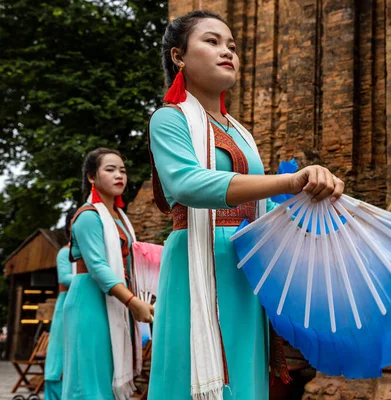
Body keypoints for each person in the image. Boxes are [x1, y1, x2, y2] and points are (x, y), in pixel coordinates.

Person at [147, 10, 344, 400]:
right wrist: (289, 180)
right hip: (195, 261)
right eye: (212, 41)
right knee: (193, 376)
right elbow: (187, 183)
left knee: (244, 376)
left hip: (245, 263)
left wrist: (310, 203)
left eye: (233, 46)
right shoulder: (169, 121)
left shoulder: (240, 133)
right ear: (178, 57)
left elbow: (263, 208)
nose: (228, 52)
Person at [62, 148, 154, 400]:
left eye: (122, 170)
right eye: (110, 170)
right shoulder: (88, 217)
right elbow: (99, 268)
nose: (119, 176)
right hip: (89, 302)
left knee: (107, 375)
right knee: (89, 379)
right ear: (92, 177)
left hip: (114, 299)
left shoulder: (121, 218)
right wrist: (133, 302)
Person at [44, 208, 76, 400]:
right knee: (60, 349)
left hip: (84, 304)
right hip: (66, 305)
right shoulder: (64, 253)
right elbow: (65, 278)